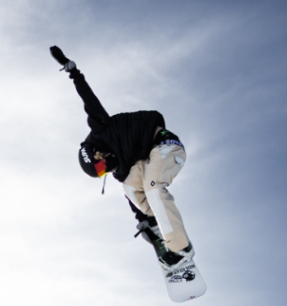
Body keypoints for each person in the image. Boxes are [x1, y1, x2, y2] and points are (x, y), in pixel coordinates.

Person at [50, 45, 194, 273]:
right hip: (146, 161)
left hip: (165, 146)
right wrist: (141, 220)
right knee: (129, 187)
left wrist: (73, 72)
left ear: (97, 153)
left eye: (100, 166)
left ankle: (181, 250)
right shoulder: (119, 169)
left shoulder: (102, 129)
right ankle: (157, 224)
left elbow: (89, 100)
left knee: (153, 187)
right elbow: (130, 197)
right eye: (101, 173)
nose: (105, 169)